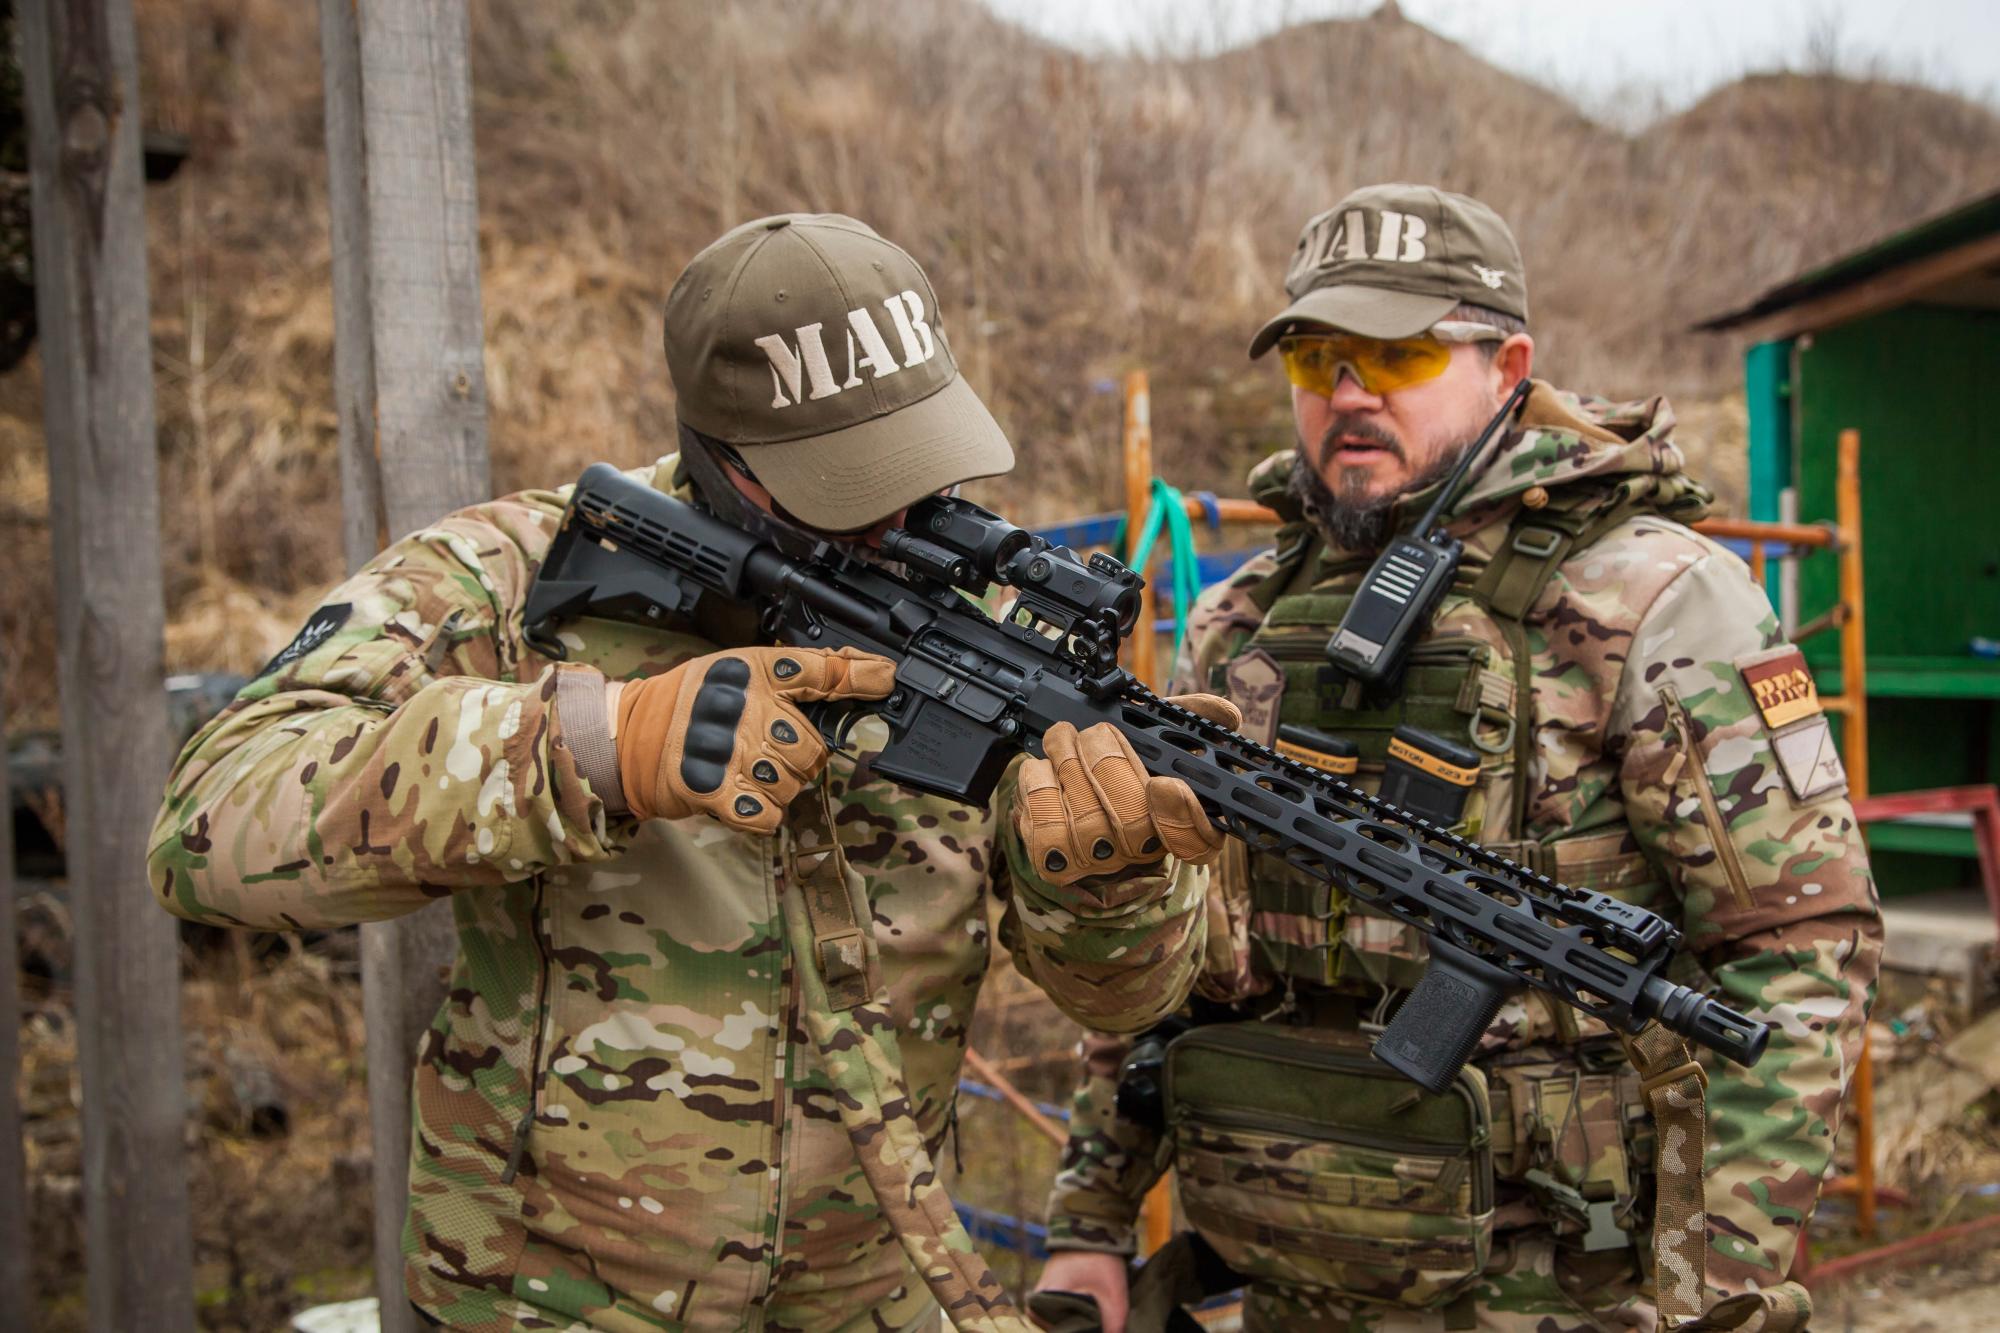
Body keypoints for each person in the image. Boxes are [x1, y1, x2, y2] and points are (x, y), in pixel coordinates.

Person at [149, 213, 1240, 1333]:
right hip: (551, 1303)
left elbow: (1124, 999)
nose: (890, 521)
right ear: (716, 454)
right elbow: (206, 823)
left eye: (912, 472)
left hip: (879, 1290)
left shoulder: (985, 626)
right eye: (839, 484)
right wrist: (588, 748)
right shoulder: (512, 575)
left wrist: (1109, 889)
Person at [1030, 184, 1881, 1333]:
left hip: (1558, 1294)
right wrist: (1090, 1218)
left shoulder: (1655, 598)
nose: (1345, 394)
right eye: (1316, 355)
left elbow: (1796, 952)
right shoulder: (1240, 616)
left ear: (1506, 361)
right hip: (1285, 1275)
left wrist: (1705, 1292)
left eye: (1390, 356)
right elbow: (1170, 957)